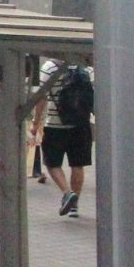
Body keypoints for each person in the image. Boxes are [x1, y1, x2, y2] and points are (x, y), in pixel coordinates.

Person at [31, 57, 95, 217]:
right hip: (81, 125)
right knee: (77, 165)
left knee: (52, 163)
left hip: (55, 125)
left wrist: (35, 122)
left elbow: (42, 96)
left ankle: (67, 193)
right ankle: (74, 207)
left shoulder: (49, 67)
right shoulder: (86, 69)